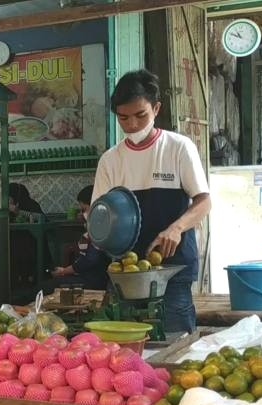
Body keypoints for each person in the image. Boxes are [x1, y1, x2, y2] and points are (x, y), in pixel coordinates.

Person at [91, 69, 212, 333]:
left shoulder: (179, 147)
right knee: (122, 353)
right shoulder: (110, 160)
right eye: (123, 118)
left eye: (140, 115)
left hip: (172, 271)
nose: (132, 124)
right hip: (125, 273)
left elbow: (204, 201)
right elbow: (98, 216)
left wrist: (176, 229)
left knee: (174, 344)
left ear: (156, 108)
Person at [51, 185, 109, 289]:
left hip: (94, 281)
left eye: (84, 209)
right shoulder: (102, 226)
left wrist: (64, 271)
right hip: (90, 277)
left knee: (48, 286)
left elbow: (89, 260)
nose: (83, 214)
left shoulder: (99, 230)